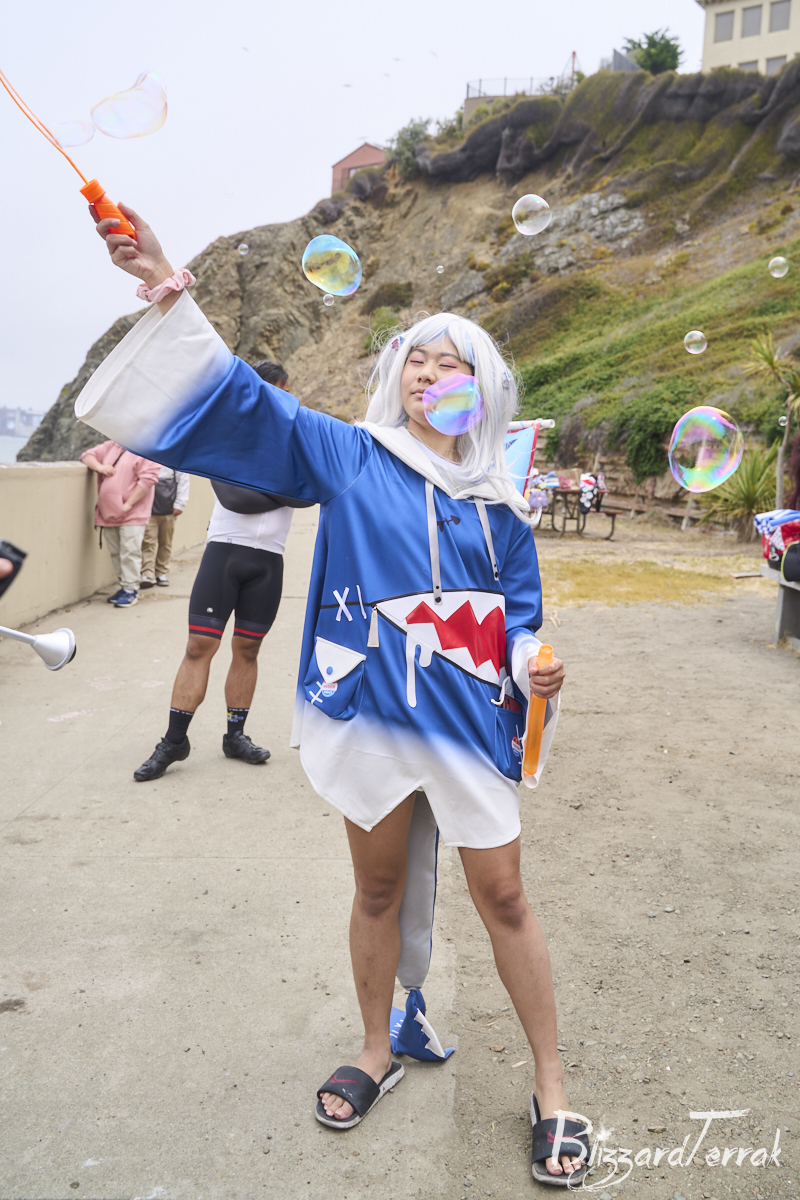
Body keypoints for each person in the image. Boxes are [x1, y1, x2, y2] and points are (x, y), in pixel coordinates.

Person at [77, 204, 587, 1184]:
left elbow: (518, 622)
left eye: (452, 363)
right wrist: (164, 280)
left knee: (506, 896)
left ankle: (552, 1088)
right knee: (378, 889)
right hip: (372, 717)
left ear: (483, 391)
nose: (429, 373)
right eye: (416, 360)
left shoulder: (501, 512)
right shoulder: (353, 458)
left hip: (469, 727)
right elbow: (248, 405)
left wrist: (534, 665)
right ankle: (373, 1049)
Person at [132, 361, 302, 782]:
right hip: (225, 552)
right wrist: (284, 489)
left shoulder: (293, 440)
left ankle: (235, 736)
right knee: (199, 647)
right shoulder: (227, 436)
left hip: (270, 559)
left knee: (248, 650)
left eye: (283, 392)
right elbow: (235, 499)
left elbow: (309, 496)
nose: (277, 400)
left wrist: (274, 489)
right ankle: (174, 741)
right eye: (270, 391)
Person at [80, 439, 160, 608]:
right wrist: (100, 467)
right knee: (116, 552)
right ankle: (124, 586)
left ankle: (131, 590)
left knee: (130, 552)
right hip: (108, 512)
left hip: (133, 514)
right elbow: (87, 455)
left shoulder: (145, 449)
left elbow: (148, 479)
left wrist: (128, 505)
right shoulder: (111, 445)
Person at [140, 466, 191, 588]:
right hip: (149, 508)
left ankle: (161, 572)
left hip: (169, 508)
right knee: (148, 541)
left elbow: (183, 480)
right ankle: (147, 572)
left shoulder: (174, 460)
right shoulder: (146, 457)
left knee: (165, 541)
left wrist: (180, 503)